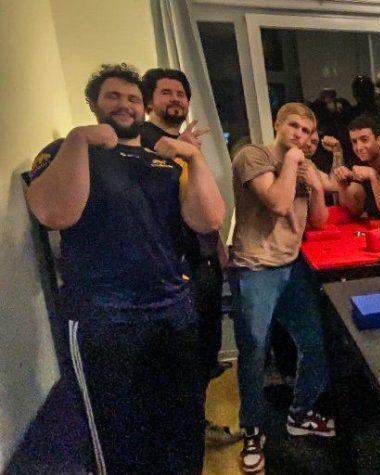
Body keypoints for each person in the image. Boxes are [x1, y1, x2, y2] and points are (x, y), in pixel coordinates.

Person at [25, 63, 225, 474]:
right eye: (113, 96)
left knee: (183, 424)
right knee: (120, 436)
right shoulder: (66, 149)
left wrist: (193, 157)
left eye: (133, 98)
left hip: (172, 311)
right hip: (105, 318)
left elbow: (208, 220)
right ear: (94, 103)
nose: (124, 104)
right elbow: (53, 213)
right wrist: (79, 139)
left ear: (143, 106)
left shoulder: (163, 161)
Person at [228, 102, 334, 473]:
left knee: (315, 343)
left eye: (307, 131)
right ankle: (252, 429)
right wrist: (291, 161)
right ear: (277, 124)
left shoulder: (305, 167)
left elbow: (318, 222)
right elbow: (276, 202)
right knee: (255, 352)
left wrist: (316, 186)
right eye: (294, 127)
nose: (300, 136)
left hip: (292, 266)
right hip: (254, 267)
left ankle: (300, 412)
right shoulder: (253, 156)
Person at [139, 67, 239, 445]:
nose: (176, 99)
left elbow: (198, 203)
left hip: (202, 260)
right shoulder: (144, 142)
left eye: (181, 94)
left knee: (206, 344)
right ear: (149, 101)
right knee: (185, 355)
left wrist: (218, 246)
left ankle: (198, 416)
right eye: (166, 93)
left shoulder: (183, 145)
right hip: (174, 268)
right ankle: (190, 431)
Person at [330, 114, 380, 220]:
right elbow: (354, 210)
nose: (359, 147)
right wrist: (343, 185)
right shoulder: (361, 161)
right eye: (354, 142)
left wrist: (373, 176)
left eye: (364, 140)